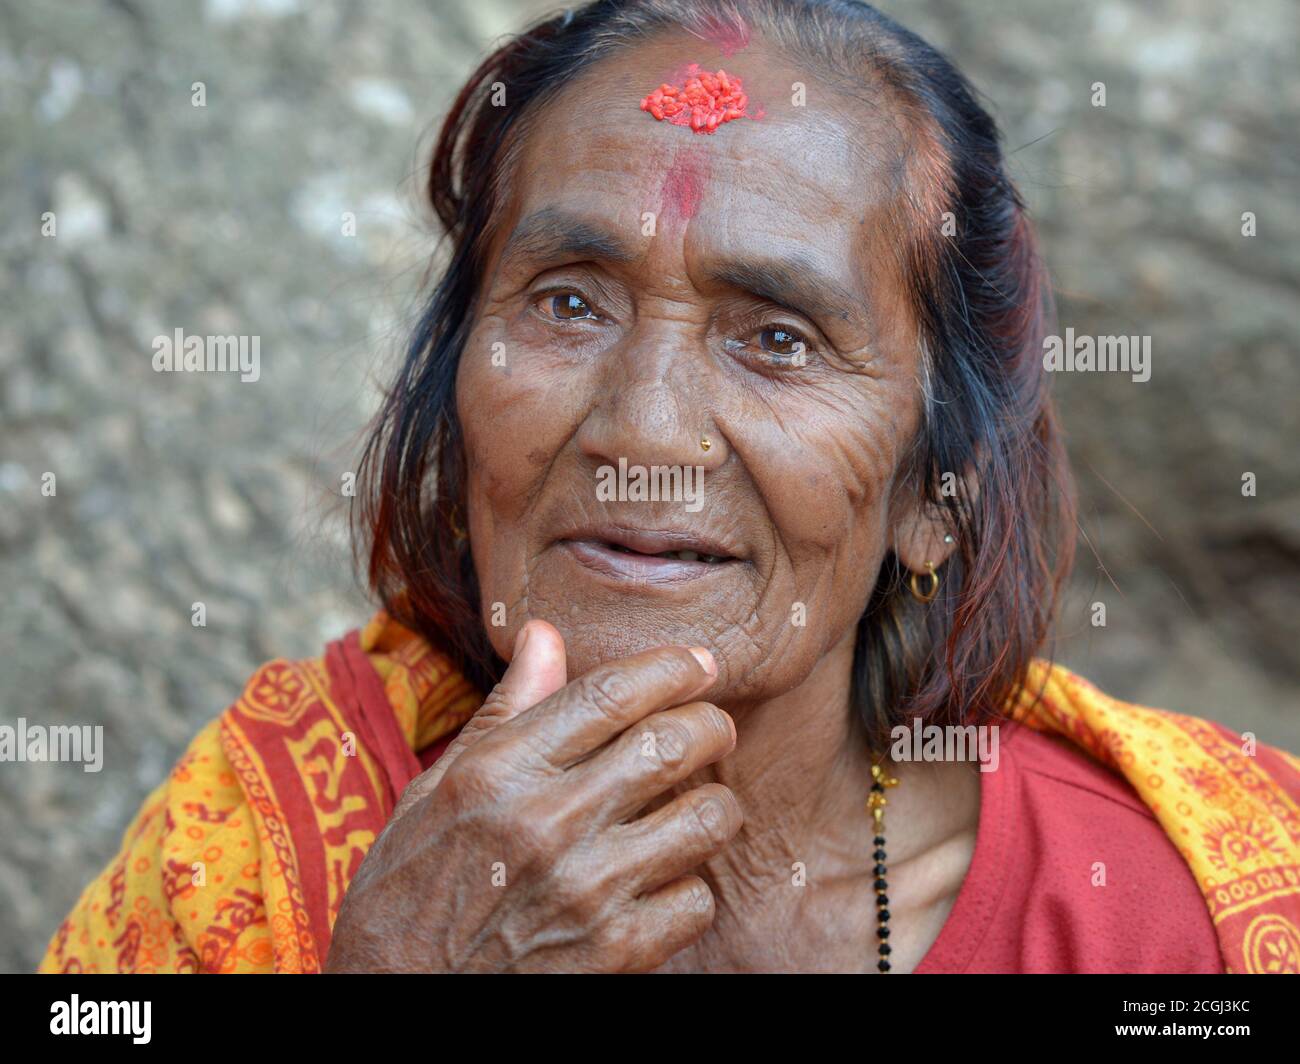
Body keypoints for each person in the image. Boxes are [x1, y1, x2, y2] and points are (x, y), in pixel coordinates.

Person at [41, 0, 1300, 974]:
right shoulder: (264, 851)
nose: (643, 427)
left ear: (936, 487)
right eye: (568, 301)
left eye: (777, 338)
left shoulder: (1179, 913)